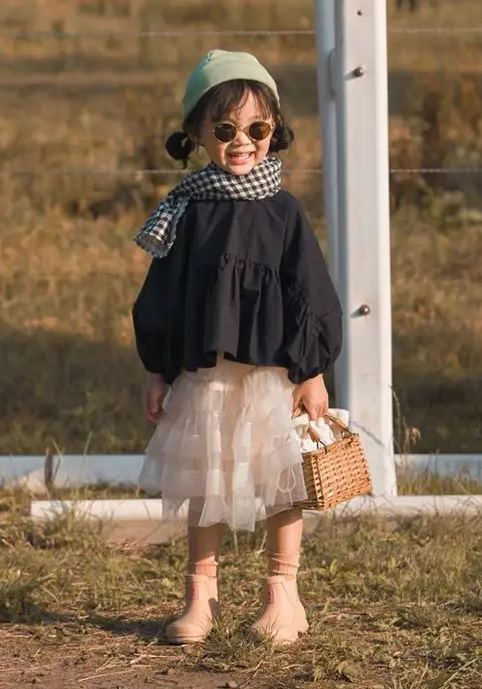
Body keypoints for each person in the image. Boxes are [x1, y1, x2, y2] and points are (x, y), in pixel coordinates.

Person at [130, 49, 345, 647]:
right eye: (224, 130)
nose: (242, 141)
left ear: (275, 130)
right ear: (195, 134)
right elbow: (163, 296)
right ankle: (201, 595)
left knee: (282, 482)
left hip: (272, 378)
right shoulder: (188, 211)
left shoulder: (283, 213)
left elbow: (310, 293)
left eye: (258, 128)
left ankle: (284, 594)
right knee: (204, 482)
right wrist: (157, 368)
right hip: (206, 377)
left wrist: (312, 370)